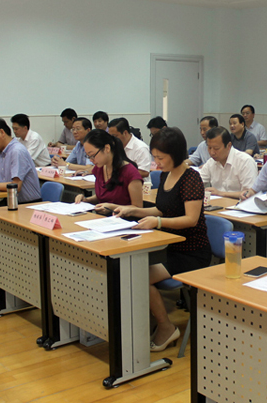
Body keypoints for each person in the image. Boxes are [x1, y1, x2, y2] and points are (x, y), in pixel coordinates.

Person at [113, 127, 211, 352]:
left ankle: (166, 327)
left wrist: (157, 223)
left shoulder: (191, 178)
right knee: (130, 270)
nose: (156, 163)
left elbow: (191, 219)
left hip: (190, 251)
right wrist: (133, 210)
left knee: (139, 277)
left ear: (175, 154)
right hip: (168, 245)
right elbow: (161, 209)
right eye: (154, 157)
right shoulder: (166, 174)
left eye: (161, 158)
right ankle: (144, 324)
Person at [74, 129, 142, 212]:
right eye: (88, 156)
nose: (91, 160)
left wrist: (112, 208)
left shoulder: (130, 173)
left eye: (93, 155)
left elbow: (138, 208)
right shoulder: (99, 168)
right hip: (102, 217)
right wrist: (86, 200)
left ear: (107, 148)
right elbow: (103, 196)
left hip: (123, 219)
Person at [200, 126, 258, 199]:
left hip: (240, 204)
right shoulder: (211, 162)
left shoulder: (245, 161)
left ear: (229, 146)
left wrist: (221, 193)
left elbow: (248, 193)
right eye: (209, 148)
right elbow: (197, 182)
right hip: (217, 204)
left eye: (216, 148)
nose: (212, 152)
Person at [108, 117, 151, 182]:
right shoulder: (114, 146)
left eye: (114, 136)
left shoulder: (141, 148)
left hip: (138, 184)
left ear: (125, 133)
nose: (112, 139)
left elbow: (144, 172)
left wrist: (120, 174)